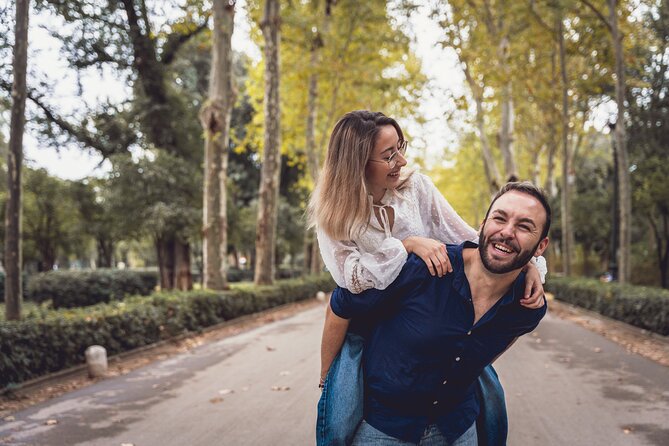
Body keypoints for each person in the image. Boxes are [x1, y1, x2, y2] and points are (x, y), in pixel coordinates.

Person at [309, 110, 547, 445]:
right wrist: (406, 246)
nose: (401, 160)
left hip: (432, 312)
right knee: (335, 416)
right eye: (389, 155)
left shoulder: (415, 188)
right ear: (357, 163)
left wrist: (528, 263)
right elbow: (352, 286)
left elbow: (469, 238)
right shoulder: (335, 214)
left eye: (400, 147)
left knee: (484, 394)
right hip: (370, 318)